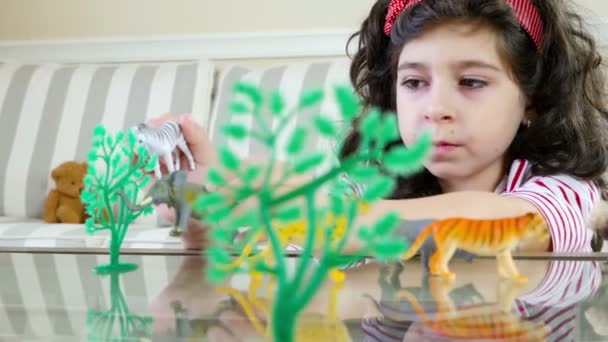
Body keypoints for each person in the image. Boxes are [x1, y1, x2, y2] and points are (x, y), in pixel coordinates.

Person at [151, 0, 608, 254]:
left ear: (533, 99)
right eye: (414, 82)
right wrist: (203, 204)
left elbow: (515, 224)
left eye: (471, 81)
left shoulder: (564, 189)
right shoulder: (371, 186)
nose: (435, 108)